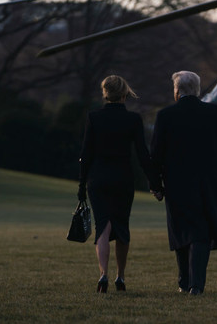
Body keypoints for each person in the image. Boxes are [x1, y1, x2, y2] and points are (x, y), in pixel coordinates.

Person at [150, 71, 217, 296]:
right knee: (201, 233)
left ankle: (183, 281)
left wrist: (155, 185)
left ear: (177, 91)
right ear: (197, 90)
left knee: (181, 231)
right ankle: (196, 284)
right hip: (210, 181)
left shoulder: (166, 115)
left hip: (177, 182)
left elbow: (156, 154)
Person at [78, 75, 163, 293]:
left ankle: (103, 274)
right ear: (124, 93)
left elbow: (86, 154)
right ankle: (121, 277)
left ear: (105, 93)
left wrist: (81, 186)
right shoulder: (133, 119)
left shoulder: (94, 117)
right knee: (122, 227)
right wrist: (155, 182)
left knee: (103, 227)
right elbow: (143, 154)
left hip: (98, 179)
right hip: (123, 178)